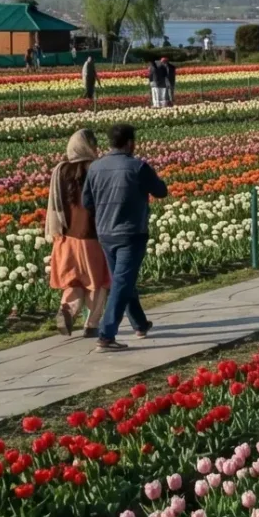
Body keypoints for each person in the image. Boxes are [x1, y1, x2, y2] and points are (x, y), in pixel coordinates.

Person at [82, 124, 168, 350]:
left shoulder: (95, 167)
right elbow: (161, 191)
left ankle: (140, 323)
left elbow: (86, 202)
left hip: (105, 233)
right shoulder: (137, 167)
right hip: (131, 233)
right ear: (130, 142)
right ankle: (106, 335)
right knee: (121, 282)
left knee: (123, 280)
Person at [44, 128, 110, 337]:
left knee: (73, 281)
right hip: (92, 236)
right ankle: (91, 324)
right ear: (89, 146)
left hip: (65, 237)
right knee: (97, 282)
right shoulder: (97, 169)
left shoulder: (61, 170)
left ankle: (67, 311)